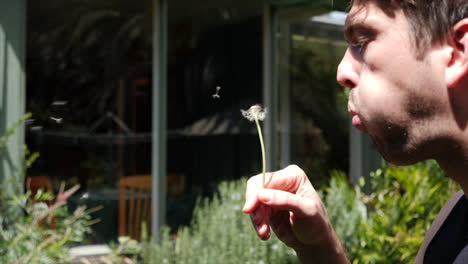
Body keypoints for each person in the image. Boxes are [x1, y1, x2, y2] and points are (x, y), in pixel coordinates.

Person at [243, 0, 468, 263]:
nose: (342, 72)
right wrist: (319, 247)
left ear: (458, 51)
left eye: (362, 41)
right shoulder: (451, 224)